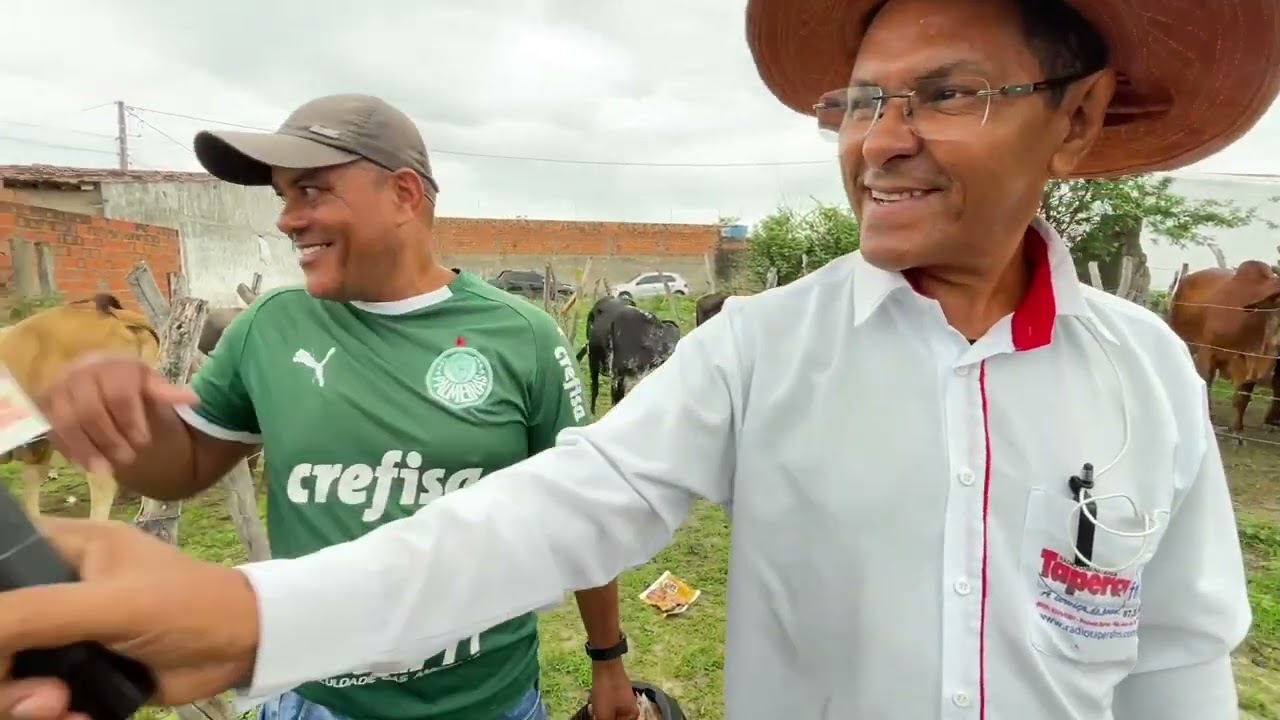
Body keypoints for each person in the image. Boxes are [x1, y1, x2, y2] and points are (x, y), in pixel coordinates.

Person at [0, 0, 1275, 717]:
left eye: (944, 94)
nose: (876, 141)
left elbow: (1172, 663)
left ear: (1080, 117)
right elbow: (559, 508)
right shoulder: (760, 347)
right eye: (857, 102)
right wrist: (249, 613)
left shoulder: (1148, 376)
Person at [7, 94, 638, 720]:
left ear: (404, 194)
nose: (287, 220)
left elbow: (578, 517)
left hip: (486, 701)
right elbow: (186, 464)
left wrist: (607, 658)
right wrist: (123, 425)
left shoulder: (522, 337)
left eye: (311, 192)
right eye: (284, 197)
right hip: (312, 698)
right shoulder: (270, 328)